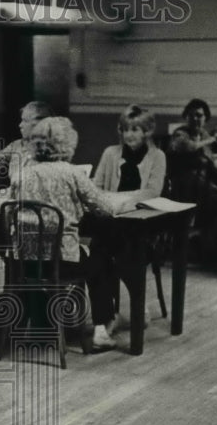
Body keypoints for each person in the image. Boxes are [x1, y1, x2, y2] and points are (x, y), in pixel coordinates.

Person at [8, 116, 131, 352]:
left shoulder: (22, 174)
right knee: (101, 261)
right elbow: (104, 208)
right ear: (66, 146)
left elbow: (9, 210)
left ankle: (33, 324)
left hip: (25, 263)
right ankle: (100, 332)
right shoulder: (72, 173)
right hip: (62, 262)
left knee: (90, 259)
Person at [88, 105, 168, 347]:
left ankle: (133, 305)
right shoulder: (110, 153)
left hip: (142, 224)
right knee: (96, 259)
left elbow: (153, 191)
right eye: (125, 130)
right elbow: (97, 185)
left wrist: (124, 199)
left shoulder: (157, 156)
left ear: (146, 132)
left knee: (118, 255)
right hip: (111, 219)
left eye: (135, 129)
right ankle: (102, 323)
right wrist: (107, 201)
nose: (129, 135)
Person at [168, 98, 217, 257]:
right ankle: (205, 243)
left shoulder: (203, 134)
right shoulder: (180, 133)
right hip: (183, 185)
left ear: (205, 118)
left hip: (201, 184)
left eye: (200, 116)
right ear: (186, 117)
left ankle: (206, 242)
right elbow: (189, 147)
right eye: (192, 115)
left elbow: (209, 159)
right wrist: (212, 139)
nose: (196, 119)